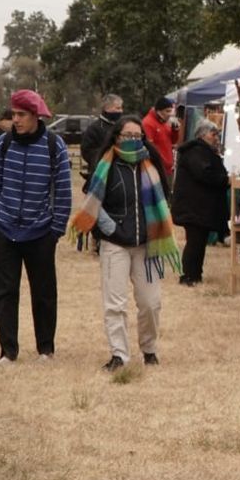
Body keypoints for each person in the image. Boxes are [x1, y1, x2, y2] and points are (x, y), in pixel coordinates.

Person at [71, 116, 181, 371]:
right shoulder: (105, 164)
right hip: (115, 244)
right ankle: (119, 355)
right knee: (115, 304)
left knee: (151, 303)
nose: (132, 140)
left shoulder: (151, 164)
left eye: (137, 136)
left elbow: (163, 198)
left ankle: (149, 349)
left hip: (148, 244)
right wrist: (112, 228)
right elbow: (93, 201)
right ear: (116, 137)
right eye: (127, 135)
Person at [0, 90, 72, 364]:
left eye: (21, 115)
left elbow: (63, 190)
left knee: (44, 293)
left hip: (40, 232)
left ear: (35, 116)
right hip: (5, 228)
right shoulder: (3, 144)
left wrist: (56, 230)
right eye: (14, 114)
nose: (15, 119)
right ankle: (8, 351)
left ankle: (45, 349)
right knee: (4, 293)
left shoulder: (54, 145)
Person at [172, 121, 229, 286]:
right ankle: (189, 275)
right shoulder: (196, 152)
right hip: (193, 206)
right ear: (203, 135)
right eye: (213, 134)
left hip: (198, 206)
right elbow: (204, 174)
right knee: (195, 241)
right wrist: (224, 180)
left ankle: (195, 274)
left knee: (199, 241)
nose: (216, 138)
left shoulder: (201, 151)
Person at [81, 94, 124, 181]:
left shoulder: (122, 126)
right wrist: (106, 156)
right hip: (101, 174)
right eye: (117, 108)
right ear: (107, 108)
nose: (121, 111)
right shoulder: (94, 128)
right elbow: (87, 152)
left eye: (121, 108)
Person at [142, 97, 179, 179]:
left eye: (171, 111)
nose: (170, 114)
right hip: (157, 169)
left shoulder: (164, 122)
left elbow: (173, 141)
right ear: (159, 111)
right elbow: (149, 148)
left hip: (167, 168)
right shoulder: (148, 123)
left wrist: (175, 131)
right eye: (167, 111)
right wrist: (163, 162)